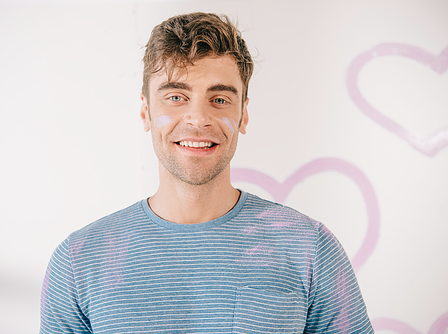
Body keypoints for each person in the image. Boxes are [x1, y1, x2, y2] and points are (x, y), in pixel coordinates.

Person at [40, 12, 374, 333]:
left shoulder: (309, 249)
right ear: (145, 112)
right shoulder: (79, 261)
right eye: (176, 96)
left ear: (243, 115)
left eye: (219, 99)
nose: (198, 119)